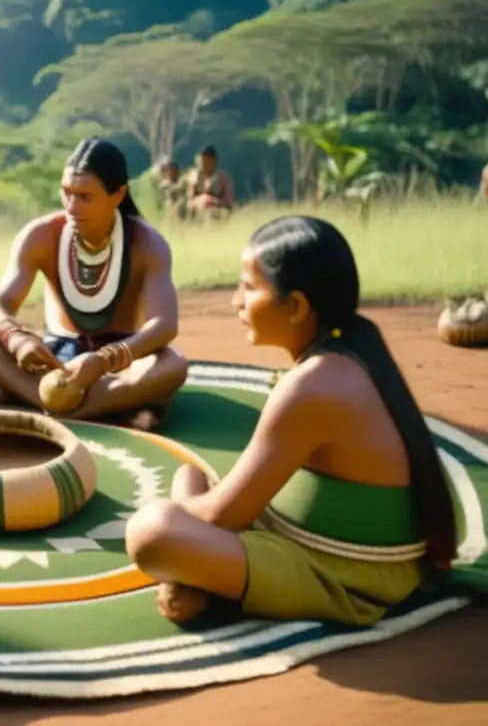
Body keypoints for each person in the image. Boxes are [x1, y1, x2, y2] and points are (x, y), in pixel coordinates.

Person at [124, 215, 457, 627]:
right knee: (190, 479)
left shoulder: (311, 387)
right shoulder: (350, 350)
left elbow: (221, 516)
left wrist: (184, 506)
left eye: (248, 287)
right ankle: (205, 583)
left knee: (152, 532)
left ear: (297, 306)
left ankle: (210, 591)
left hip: (348, 575)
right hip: (324, 540)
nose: (236, 301)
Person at [0, 137, 189, 432]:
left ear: (118, 195)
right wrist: (17, 340)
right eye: (66, 193)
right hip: (56, 358)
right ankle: (103, 409)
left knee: (173, 365)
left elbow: (164, 325)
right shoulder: (40, 235)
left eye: (84, 196)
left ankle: (48, 405)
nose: (71, 206)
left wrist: (104, 360)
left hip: (120, 359)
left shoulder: (148, 244)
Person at [185, 145, 234, 219]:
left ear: (214, 161)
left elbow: (229, 201)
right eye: (203, 161)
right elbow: (189, 202)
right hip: (198, 216)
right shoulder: (194, 179)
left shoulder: (223, 178)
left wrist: (212, 201)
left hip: (219, 215)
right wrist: (201, 200)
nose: (206, 165)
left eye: (209, 162)